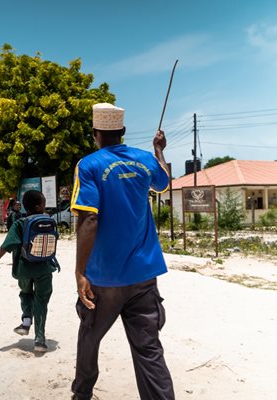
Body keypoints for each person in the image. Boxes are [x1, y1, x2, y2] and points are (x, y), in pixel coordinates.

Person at [70, 103, 175, 400]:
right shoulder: (144, 161)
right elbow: (164, 183)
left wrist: (80, 272)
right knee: (149, 349)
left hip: (104, 276)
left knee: (90, 337)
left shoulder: (89, 165)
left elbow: (89, 217)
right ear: (123, 132)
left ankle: (82, 395)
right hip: (144, 275)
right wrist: (159, 150)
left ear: (95, 133)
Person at [0, 190, 59, 353]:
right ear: (39, 206)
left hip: (24, 269)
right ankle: (40, 339)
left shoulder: (20, 223)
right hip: (45, 268)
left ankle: (26, 321)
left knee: (26, 293)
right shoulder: (49, 221)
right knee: (41, 301)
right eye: (44, 204)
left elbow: (6, 246)